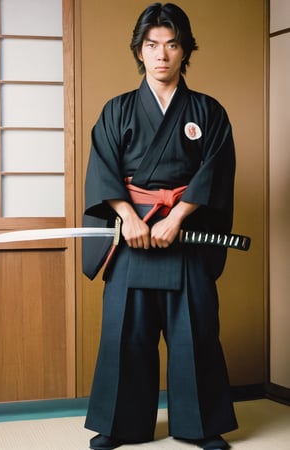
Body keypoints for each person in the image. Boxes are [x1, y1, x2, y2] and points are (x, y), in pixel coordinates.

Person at [83, 3, 238, 449]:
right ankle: (119, 426)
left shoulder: (207, 111)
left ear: (185, 49)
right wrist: (129, 218)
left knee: (196, 334)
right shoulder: (117, 110)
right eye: (152, 45)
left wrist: (177, 216)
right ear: (139, 50)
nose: (162, 54)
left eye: (172, 44)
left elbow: (216, 170)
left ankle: (202, 427)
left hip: (184, 235)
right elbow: (102, 170)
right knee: (124, 335)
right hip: (132, 236)